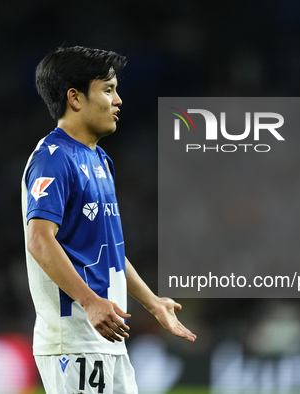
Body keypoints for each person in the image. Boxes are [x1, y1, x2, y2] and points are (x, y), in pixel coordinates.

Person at [22, 46, 196, 394]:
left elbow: (108, 250)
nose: (118, 100)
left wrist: (152, 302)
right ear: (75, 98)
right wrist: (89, 301)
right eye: (107, 89)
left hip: (106, 336)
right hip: (75, 340)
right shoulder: (53, 160)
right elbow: (39, 239)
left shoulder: (100, 160)